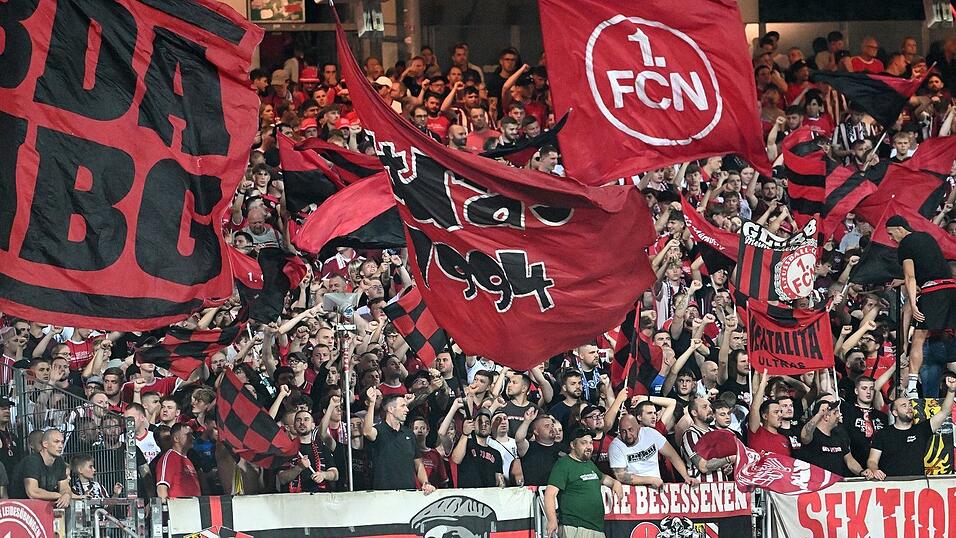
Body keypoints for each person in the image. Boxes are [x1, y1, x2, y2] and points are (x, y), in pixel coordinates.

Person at [887, 215, 956, 396]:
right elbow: (931, 269)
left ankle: (911, 387)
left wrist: (913, 303)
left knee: (919, 337)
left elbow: (911, 277)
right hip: (951, 288)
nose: (890, 239)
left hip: (933, 293)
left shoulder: (905, 245)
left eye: (891, 233)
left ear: (900, 229)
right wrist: (901, 281)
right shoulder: (927, 237)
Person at [868, 375, 956, 479]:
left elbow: (944, 412)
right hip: (891, 487)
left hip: (917, 487)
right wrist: (874, 470)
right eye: (904, 406)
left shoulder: (921, 430)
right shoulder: (883, 434)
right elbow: (872, 460)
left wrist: (951, 390)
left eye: (910, 405)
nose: (909, 408)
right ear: (895, 412)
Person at [544, 428, 623, 538]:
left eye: (591, 443)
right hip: (575, 527)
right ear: (573, 445)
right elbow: (549, 494)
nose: (589, 447)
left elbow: (603, 478)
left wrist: (615, 483)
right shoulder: (564, 464)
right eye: (584, 443)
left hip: (597, 528)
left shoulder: (589, 464)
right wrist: (552, 520)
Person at [363, 389, 435, 494]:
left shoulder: (409, 434)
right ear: (391, 409)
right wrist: (372, 403)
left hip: (408, 494)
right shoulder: (379, 430)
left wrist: (426, 483)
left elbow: (418, 464)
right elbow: (367, 432)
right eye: (403, 406)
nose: (407, 409)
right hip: (383, 495)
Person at [609, 409, 699, 488]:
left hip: (656, 489)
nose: (628, 435)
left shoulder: (650, 433)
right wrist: (650, 480)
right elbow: (621, 475)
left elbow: (672, 455)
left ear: (638, 428)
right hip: (633, 493)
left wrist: (686, 477)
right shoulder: (615, 446)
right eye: (623, 432)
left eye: (630, 430)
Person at [278, 410, 338, 493]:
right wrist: (299, 468)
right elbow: (282, 478)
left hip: (320, 497)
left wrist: (323, 475)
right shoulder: (286, 450)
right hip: (294, 500)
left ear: (313, 426)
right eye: (298, 420)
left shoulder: (322, 448)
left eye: (306, 419)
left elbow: (335, 474)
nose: (302, 422)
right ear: (294, 426)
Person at [11, 429, 70, 507]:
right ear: (45, 444)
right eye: (56, 442)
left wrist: (66, 495)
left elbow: (65, 487)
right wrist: (59, 496)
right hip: (20, 509)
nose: (61, 446)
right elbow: (32, 492)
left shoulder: (59, 461)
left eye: (62, 442)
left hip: (42, 507)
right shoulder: (32, 461)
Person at [451, 409, 504, 488]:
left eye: (487, 423)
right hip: (468, 495)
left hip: (488, 496)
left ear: (490, 428)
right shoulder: (465, 443)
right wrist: (465, 434)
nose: (483, 425)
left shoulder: (496, 453)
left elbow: (499, 480)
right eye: (480, 422)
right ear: (473, 425)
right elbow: (456, 459)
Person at [155, 423, 201, 499]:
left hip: (193, 507)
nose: (192, 438)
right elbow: (161, 488)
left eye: (192, 435)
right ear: (176, 439)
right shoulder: (169, 457)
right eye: (188, 435)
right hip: (179, 508)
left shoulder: (188, 460)